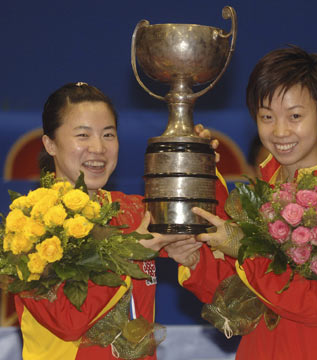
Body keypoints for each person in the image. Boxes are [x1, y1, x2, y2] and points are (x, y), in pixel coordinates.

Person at [166, 46, 317, 359]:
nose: (280, 131)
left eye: (295, 116)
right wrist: (195, 261)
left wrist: (244, 251)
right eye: (267, 116)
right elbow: (234, 298)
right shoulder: (258, 191)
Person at [14, 82, 199, 360]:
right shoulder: (30, 228)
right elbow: (68, 322)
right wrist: (131, 253)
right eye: (83, 135)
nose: (98, 148)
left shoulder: (130, 211)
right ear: (50, 144)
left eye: (108, 134)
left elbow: (196, 237)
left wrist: (198, 164)